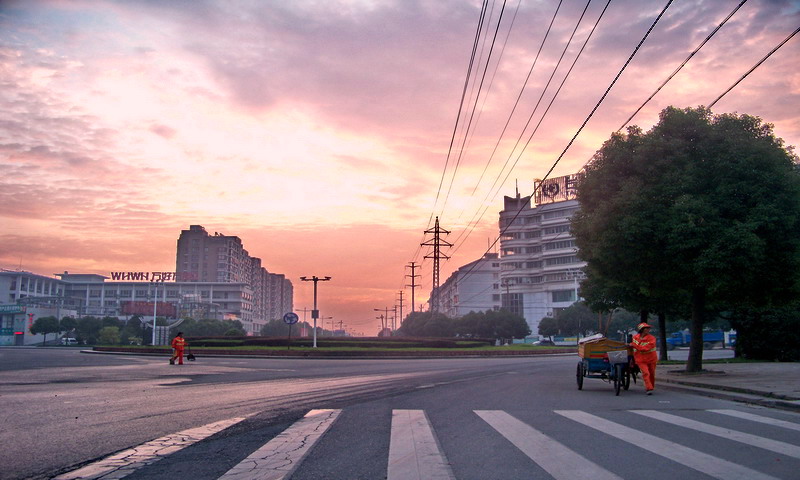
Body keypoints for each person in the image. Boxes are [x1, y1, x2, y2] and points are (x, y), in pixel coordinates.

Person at [630, 322, 658, 395]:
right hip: (640, 359)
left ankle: (651, 386)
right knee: (646, 373)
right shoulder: (635, 337)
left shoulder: (652, 338)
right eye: (646, 328)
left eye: (648, 328)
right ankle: (649, 388)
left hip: (651, 359)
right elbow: (635, 345)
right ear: (642, 330)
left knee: (651, 373)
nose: (648, 329)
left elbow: (645, 348)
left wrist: (634, 346)